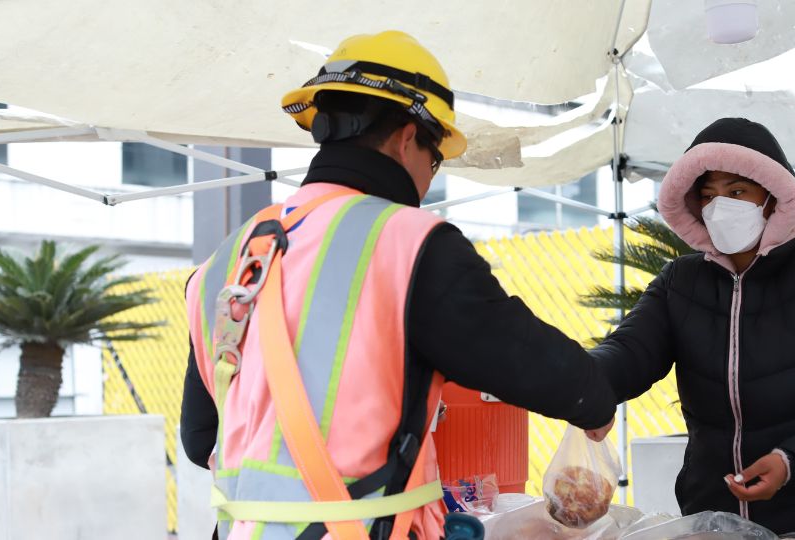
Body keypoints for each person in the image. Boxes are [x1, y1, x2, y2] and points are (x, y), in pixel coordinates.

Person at [179, 30, 617, 540]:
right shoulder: (409, 242)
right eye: (435, 161)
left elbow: (199, 439)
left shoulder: (224, 263)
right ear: (407, 137)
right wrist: (593, 398)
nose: (429, 180)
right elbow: (518, 355)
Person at [589, 118, 795, 533]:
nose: (719, 207)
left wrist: (791, 461)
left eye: (736, 192)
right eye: (708, 196)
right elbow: (630, 351)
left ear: (772, 196)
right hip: (713, 512)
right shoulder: (681, 282)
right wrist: (580, 384)